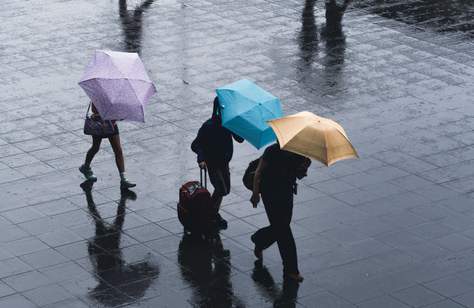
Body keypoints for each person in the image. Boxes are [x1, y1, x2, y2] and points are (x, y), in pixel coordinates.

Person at [250, 143, 311, 282]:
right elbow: (258, 172)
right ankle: (291, 270)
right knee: (284, 230)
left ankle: (259, 239)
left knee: (281, 227)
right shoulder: (272, 150)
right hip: (270, 193)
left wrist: (304, 167)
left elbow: (299, 175)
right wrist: (255, 193)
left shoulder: (298, 152)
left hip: (286, 192)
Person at [191, 97, 244, 230]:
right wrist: (201, 159)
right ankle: (210, 215)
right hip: (212, 163)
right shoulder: (208, 126)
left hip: (224, 162)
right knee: (221, 189)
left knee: (225, 190)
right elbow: (196, 144)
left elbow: (240, 139)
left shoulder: (228, 124)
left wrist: (237, 125)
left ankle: (212, 213)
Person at [79, 102, 136, 189]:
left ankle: (123, 178)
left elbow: (118, 113)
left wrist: (120, 115)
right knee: (95, 147)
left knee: (118, 150)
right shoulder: (98, 93)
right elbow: (94, 109)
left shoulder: (115, 96)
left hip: (111, 125)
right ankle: (86, 167)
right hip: (99, 125)